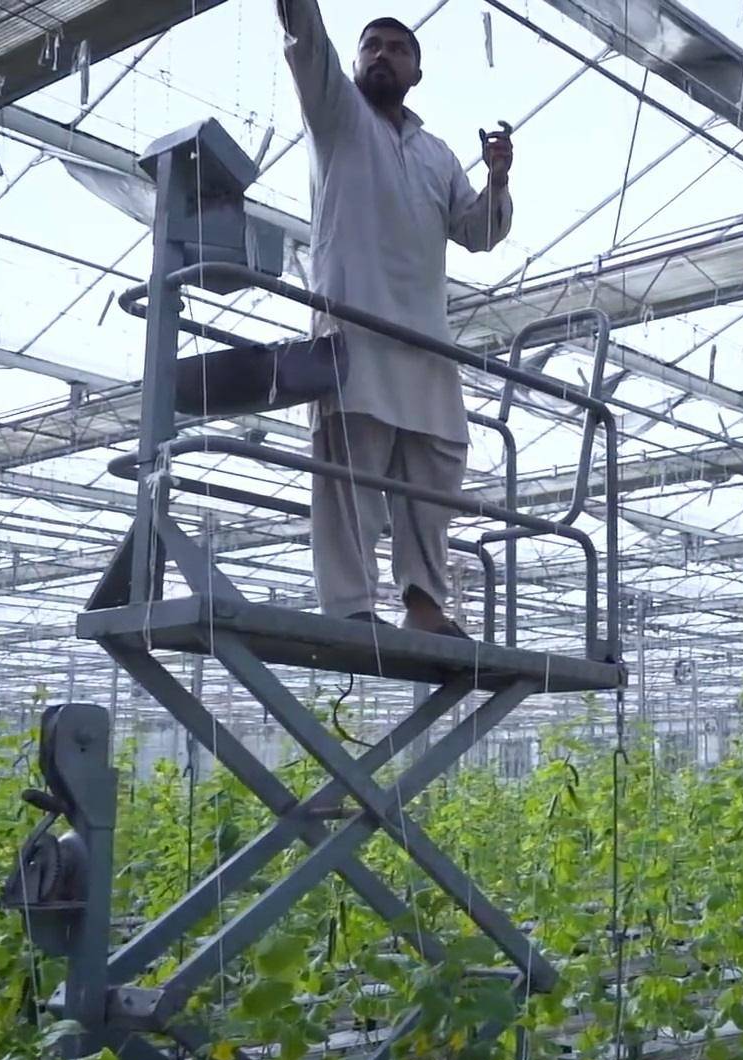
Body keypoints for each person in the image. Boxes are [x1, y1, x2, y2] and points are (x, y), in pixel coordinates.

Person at [276, 0, 512, 636]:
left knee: (435, 468)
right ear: (353, 63)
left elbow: (478, 233)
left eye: (397, 49)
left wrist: (497, 180)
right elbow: (305, 38)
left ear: (416, 72)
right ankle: (352, 606)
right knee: (349, 472)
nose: (382, 55)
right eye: (371, 46)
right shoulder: (338, 116)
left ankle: (424, 603)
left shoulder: (436, 154)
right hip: (352, 327)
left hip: (424, 341)